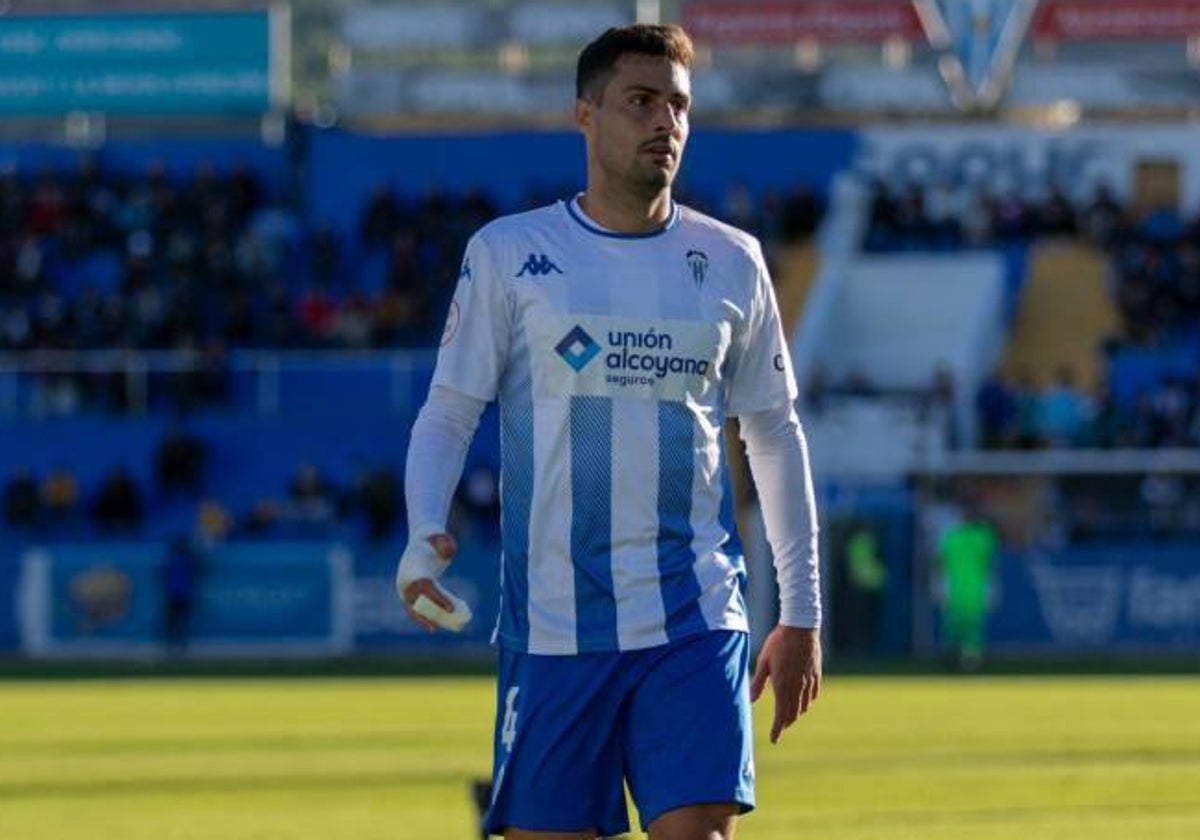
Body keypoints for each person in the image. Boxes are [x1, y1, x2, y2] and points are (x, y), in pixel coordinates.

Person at [397, 25, 821, 840]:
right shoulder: (511, 254)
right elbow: (450, 409)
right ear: (585, 115)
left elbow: (773, 434)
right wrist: (423, 534)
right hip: (554, 626)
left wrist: (801, 613)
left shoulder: (732, 260)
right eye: (640, 101)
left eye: (679, 105)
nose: (665, 122)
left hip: (694, 616)